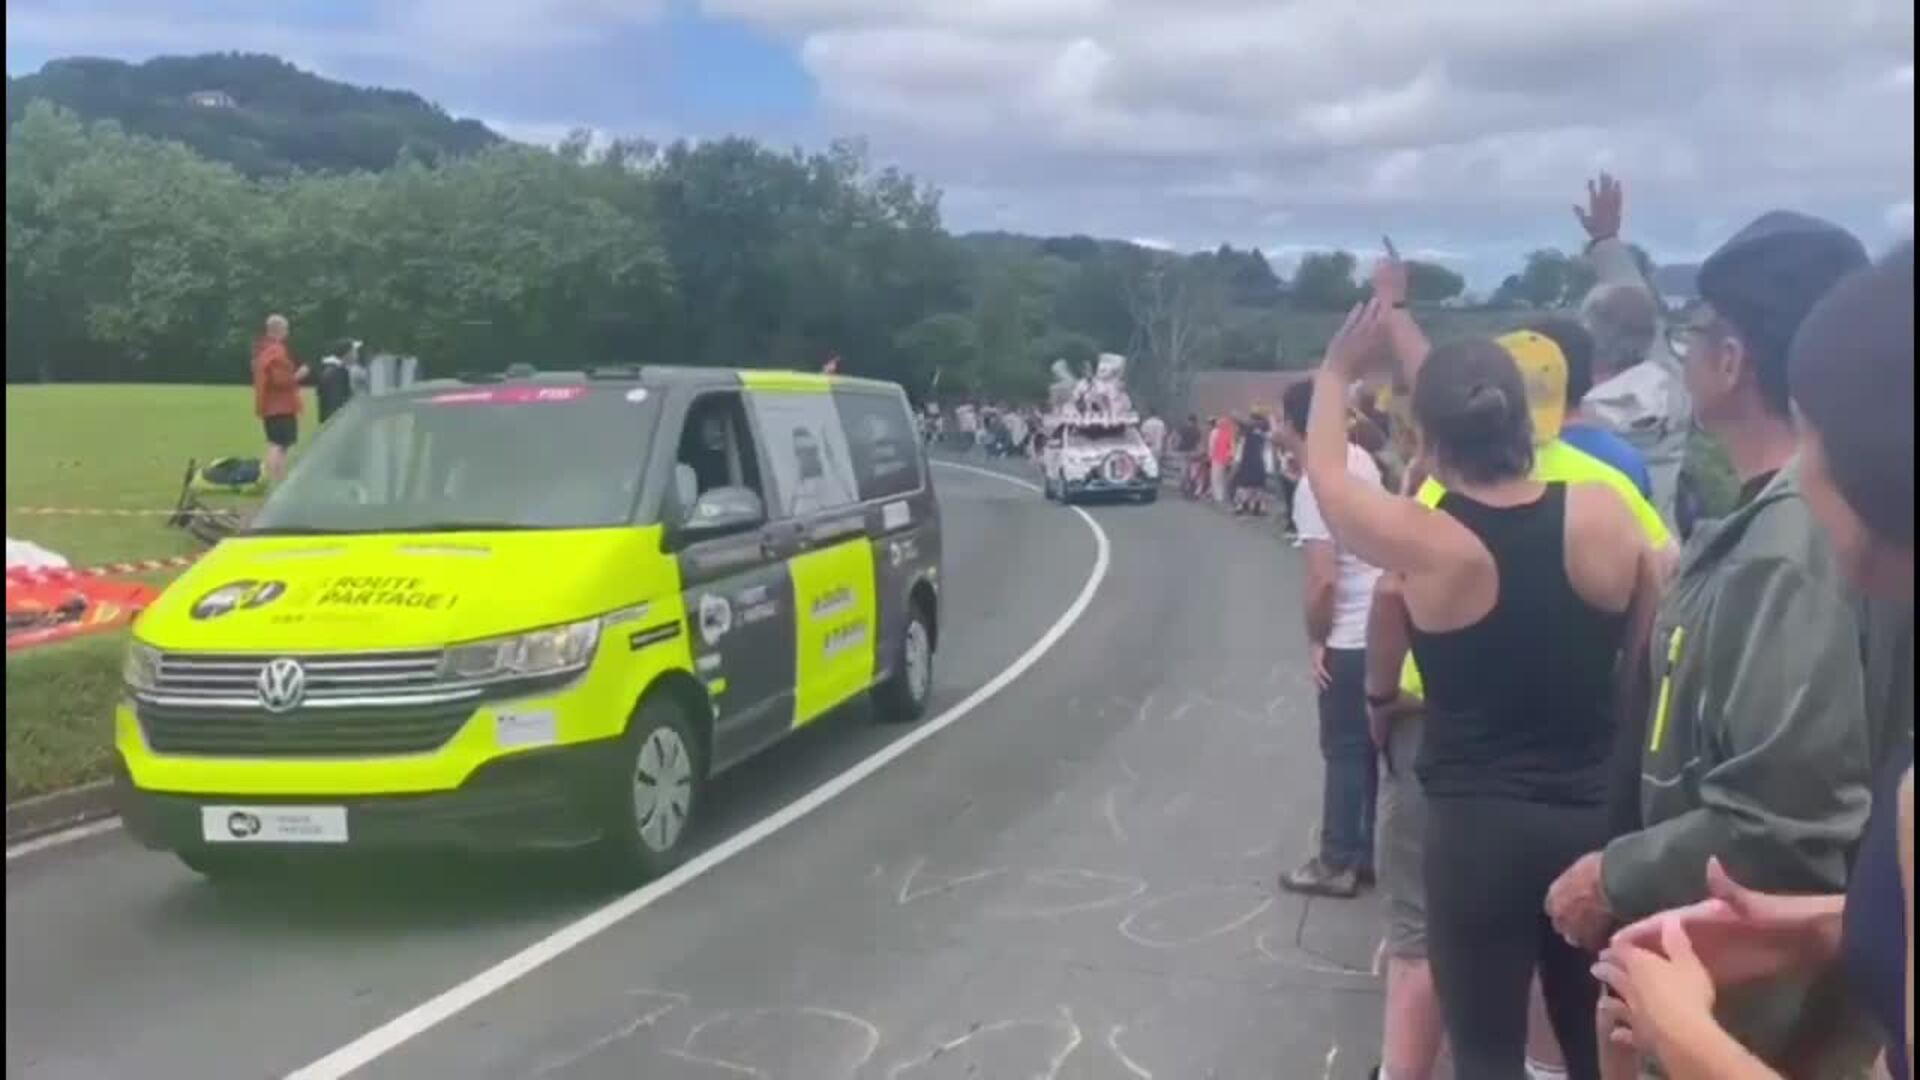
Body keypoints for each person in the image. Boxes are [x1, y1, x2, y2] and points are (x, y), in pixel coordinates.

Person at [1544, 210, 1877, 1075]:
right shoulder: (1786, 522)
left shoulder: (1791, 548)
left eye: (1695, 334)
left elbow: (1783, 824)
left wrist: (1616, 875)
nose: (1678, 355)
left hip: (1756, 1022)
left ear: (1733, 361)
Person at [1307, 298, 1657, 1080]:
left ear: (1427, 442)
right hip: (1592, 818)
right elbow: (1645, 658)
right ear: (1526, 424)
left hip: (1475, 832)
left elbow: (1329, 482)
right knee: (1593, 1041)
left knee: (1488, 1052)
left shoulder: (1432, 544)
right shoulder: (1605, 516)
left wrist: (1336, 373)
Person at [1276, 378, 1383, 899]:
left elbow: (1323, 578)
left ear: (1298, 425)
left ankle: (1337, 858)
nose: (1273, 426)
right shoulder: (1361, 460)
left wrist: (1317, 639)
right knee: (1366, 750)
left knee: (1342, 748)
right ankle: (1363, 850)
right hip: (1380, 628)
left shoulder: (1316, 483)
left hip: (1350, 631)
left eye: (1279, 418)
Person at [1576, 174, 1692, 526]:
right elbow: (1642, 318)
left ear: (1590, 339)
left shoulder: (1571, 418)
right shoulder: (1676, 389)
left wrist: (1604, 239)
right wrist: (1607, 241)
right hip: (1667, 563)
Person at [251, 314, 307, 484]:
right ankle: (277, 479)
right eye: (286, 329)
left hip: (269, 405)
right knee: (279, 444)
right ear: (279, 330)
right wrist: (299, 375)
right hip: (281, 405)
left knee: (276, 443)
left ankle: (277, 478)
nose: (287, 333)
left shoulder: (261, 350)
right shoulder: (276, 351)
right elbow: (280, 380)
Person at [311, 338, 363, 424]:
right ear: (348, 354)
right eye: (354, 351)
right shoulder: (335, 374)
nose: (357, 354)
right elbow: (335, 406)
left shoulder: (337, 371)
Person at [1209, 415, 1235, 503]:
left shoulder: (1215, 432)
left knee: (1215, 478)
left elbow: (1212, 445)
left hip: (1216, 458)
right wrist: (1230, 457)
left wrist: (1210, 456)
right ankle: (1222, 495)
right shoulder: (1229, 433)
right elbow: (1231, 447)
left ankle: (1217, 496)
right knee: (1223, 478)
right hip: (1226, 459)